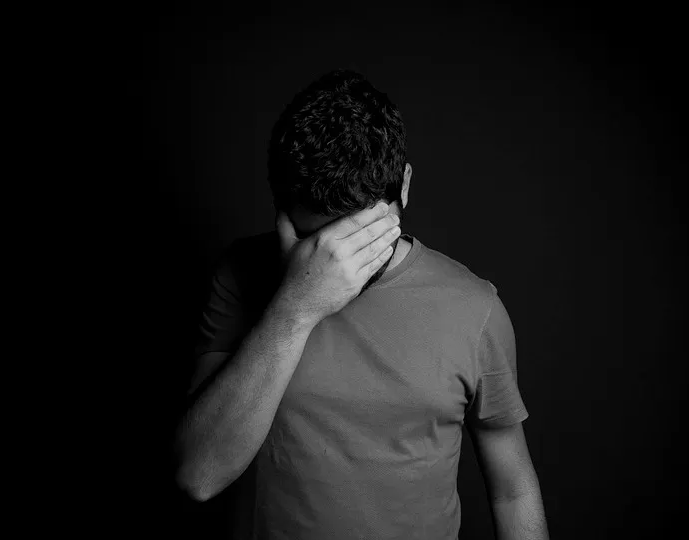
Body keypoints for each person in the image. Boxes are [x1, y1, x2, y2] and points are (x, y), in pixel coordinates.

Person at [175, 68, 548, 540]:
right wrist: (295, 308)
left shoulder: (475, 309)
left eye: (362, 235)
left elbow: (512, 490)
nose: (338, 261)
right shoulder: (240, 276)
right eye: (315, 239)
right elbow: (199, 474)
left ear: (404, 186)